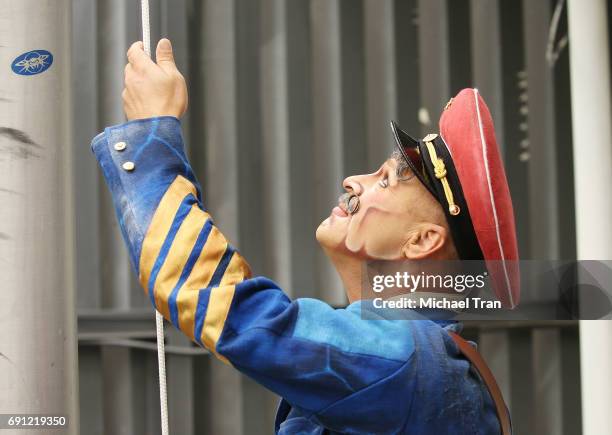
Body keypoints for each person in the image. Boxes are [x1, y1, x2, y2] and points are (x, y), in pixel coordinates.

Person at [92, 38, 518, 434]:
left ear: (422, 241)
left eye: (386, 180)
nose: (354, 180)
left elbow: (233, 311)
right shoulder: (423, 361)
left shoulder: (404, 360)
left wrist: (151, 137)